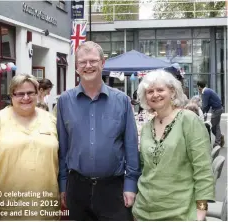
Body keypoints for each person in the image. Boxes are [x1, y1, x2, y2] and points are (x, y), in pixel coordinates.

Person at [57, 41, 141, 220]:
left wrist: (130, 185)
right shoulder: (65, 101)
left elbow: (131, 146)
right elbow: (63, 149)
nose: (88, 66)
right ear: (76, 67)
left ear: (103, 63)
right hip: (77, 188)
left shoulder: (122, 101)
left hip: (113, 189)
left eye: (93, 61)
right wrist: (63, 185)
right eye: (83, 62)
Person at [0, 74, 60, 220]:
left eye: (30, 92)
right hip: (6, 207)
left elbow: (62, 157)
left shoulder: (50, 120)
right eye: (20, 93)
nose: (26, 97)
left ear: (38, 93)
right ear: (11, 95)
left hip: (45, 206)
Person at [132, 70, 215, 221]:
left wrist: (201, 210)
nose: (155, 94)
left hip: (180, 212)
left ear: (172, 91)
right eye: (150, 91)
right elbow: (145, 169)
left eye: (160, 89)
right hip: (143, 211)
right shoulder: (146, 128)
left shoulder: (189, 120)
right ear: (145, 97)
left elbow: (203, 168)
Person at [197, 80, 225, 147]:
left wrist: (200, 113)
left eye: (197, 86)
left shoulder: (205, 92)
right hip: (217, 109)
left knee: (213, 127)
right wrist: (204, 113)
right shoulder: (207, 90)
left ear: (199, 87)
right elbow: (207, 105)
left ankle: (218, 141)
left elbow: (205, 105)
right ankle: (219, 140)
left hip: (217, 110)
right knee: (216, 126)